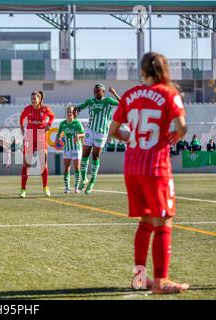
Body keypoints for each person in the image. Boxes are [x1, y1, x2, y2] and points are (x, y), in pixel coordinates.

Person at [109, 51, 189, 294]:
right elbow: (182, 127)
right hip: (155, 167)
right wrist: (175, 136)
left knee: (144, 223)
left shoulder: (130, 95)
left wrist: (130, 137)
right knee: (163, 221)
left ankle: (140, 278)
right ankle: (161, 280)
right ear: (164, 70)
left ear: (142, 71)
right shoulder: (168, 93)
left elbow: (114, 131)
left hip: (132, 166)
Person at [75, 83, 119, 194]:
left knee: (95, 155)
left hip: (102, 132)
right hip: (90, 130)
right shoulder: (91, 101)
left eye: (98, 90)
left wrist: (114, 93)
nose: (95, 92)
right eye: (95, 90)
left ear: (103, 92)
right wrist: (77, 109)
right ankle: (84, 178)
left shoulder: (108, 101)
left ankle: (92, 181)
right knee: (85, 153)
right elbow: (81, 107)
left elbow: (123, 104)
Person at [19, 91, 55, 198]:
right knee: (26, 163)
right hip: (30, 136)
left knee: (43, 162)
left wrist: (49, 124)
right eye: (32, 98)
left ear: (40, 99)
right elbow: (21, 118)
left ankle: (45, 187)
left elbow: (52, 116)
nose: (33, 100)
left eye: (35, 98)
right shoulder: (28, 109)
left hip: (40, 136)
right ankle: (23, 189)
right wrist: (21, 127)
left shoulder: (45, 109)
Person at [55, 104, 85, 194]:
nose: (69, 113)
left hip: (76, 148)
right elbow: (58, 134)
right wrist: (58, 139)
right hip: (67, 148)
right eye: (68, 112)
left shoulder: (77, 123)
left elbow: (83, 134)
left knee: (77, 168)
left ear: (74, 113)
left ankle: (76, 187)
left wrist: (78, 135)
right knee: (66, 168)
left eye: (71, 112)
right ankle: (67, 187)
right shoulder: (63, 123)